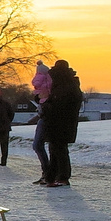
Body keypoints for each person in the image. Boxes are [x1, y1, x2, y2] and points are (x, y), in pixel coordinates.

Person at [42, 59, 83, 187]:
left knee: (59, 150)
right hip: (61, 123)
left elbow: (59, 106)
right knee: (55, 150)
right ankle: (53, 177)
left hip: (61, 123)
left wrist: (46, 106)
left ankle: (62, 177)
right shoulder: (68, 84)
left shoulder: (65, 86)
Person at [31, 60, 53, 183]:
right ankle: (47, 172)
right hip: (43, 115)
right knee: (38, 145)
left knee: (38, 145)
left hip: (45, 117)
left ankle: (47, 172)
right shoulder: (49, 81)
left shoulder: (45, 81)